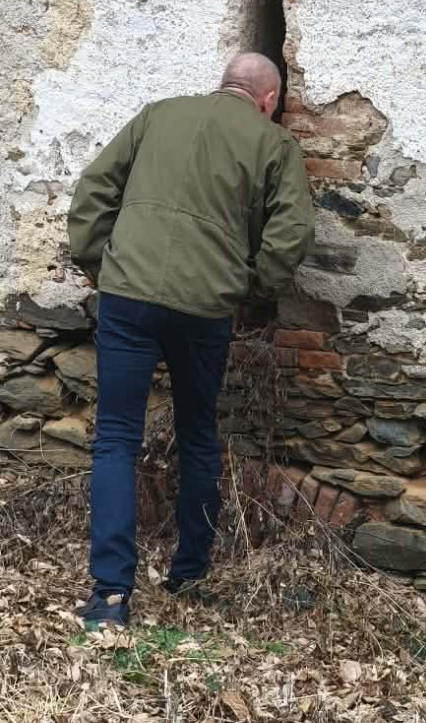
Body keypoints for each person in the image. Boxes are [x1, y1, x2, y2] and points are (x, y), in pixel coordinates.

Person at [66, 51, 315, 627]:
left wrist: (102, 264)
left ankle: (110, 596)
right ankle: (190, 573)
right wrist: (248, 285)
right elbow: (292, 232)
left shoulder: (158, 115)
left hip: (128, 295)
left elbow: (94, 190)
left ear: (223, 83)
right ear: (269, 99)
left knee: (116, 438)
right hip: (205, 307)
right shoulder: (274, 144)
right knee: (198, 435)